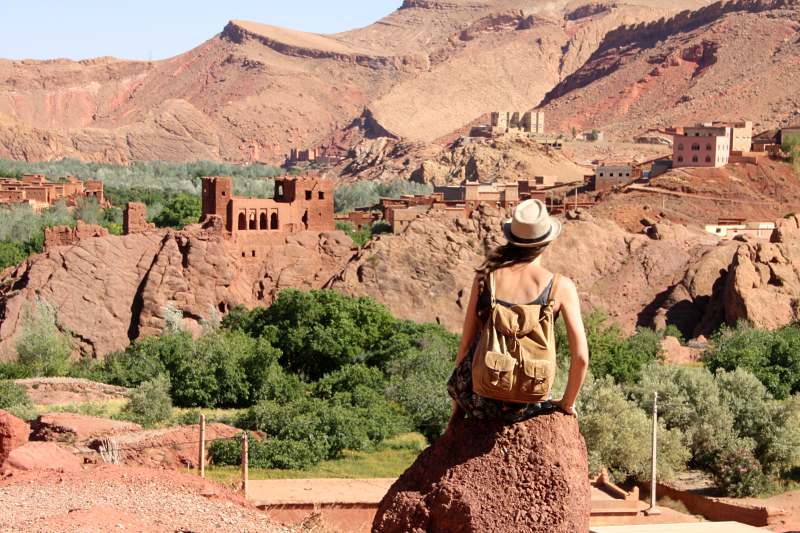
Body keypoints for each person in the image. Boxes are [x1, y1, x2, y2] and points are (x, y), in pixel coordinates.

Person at [447, 198, 589, 427]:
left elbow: (465, 347)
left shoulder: (486, 278)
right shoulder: (561, 287)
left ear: (512, 238)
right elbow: (581, 358)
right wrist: (567, 403)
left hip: (481, 402)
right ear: (547, 241)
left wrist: (457, 413)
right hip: (529, 404)